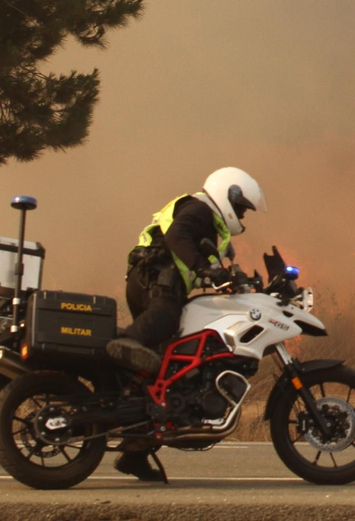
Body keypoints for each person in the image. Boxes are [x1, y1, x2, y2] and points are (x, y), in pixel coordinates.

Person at [104, 168, 266, 481]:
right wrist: (204, 268)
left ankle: (134, 453)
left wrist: (232, 279)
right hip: (155, 278)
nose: (243, 213)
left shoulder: (212, 226)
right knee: (166, 314)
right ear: (227, 195)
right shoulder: (199, 208)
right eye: (242, 206)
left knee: (165, 375)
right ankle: (125, 342)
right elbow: (176, 237)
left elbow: (213, 264)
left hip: (158, 280)